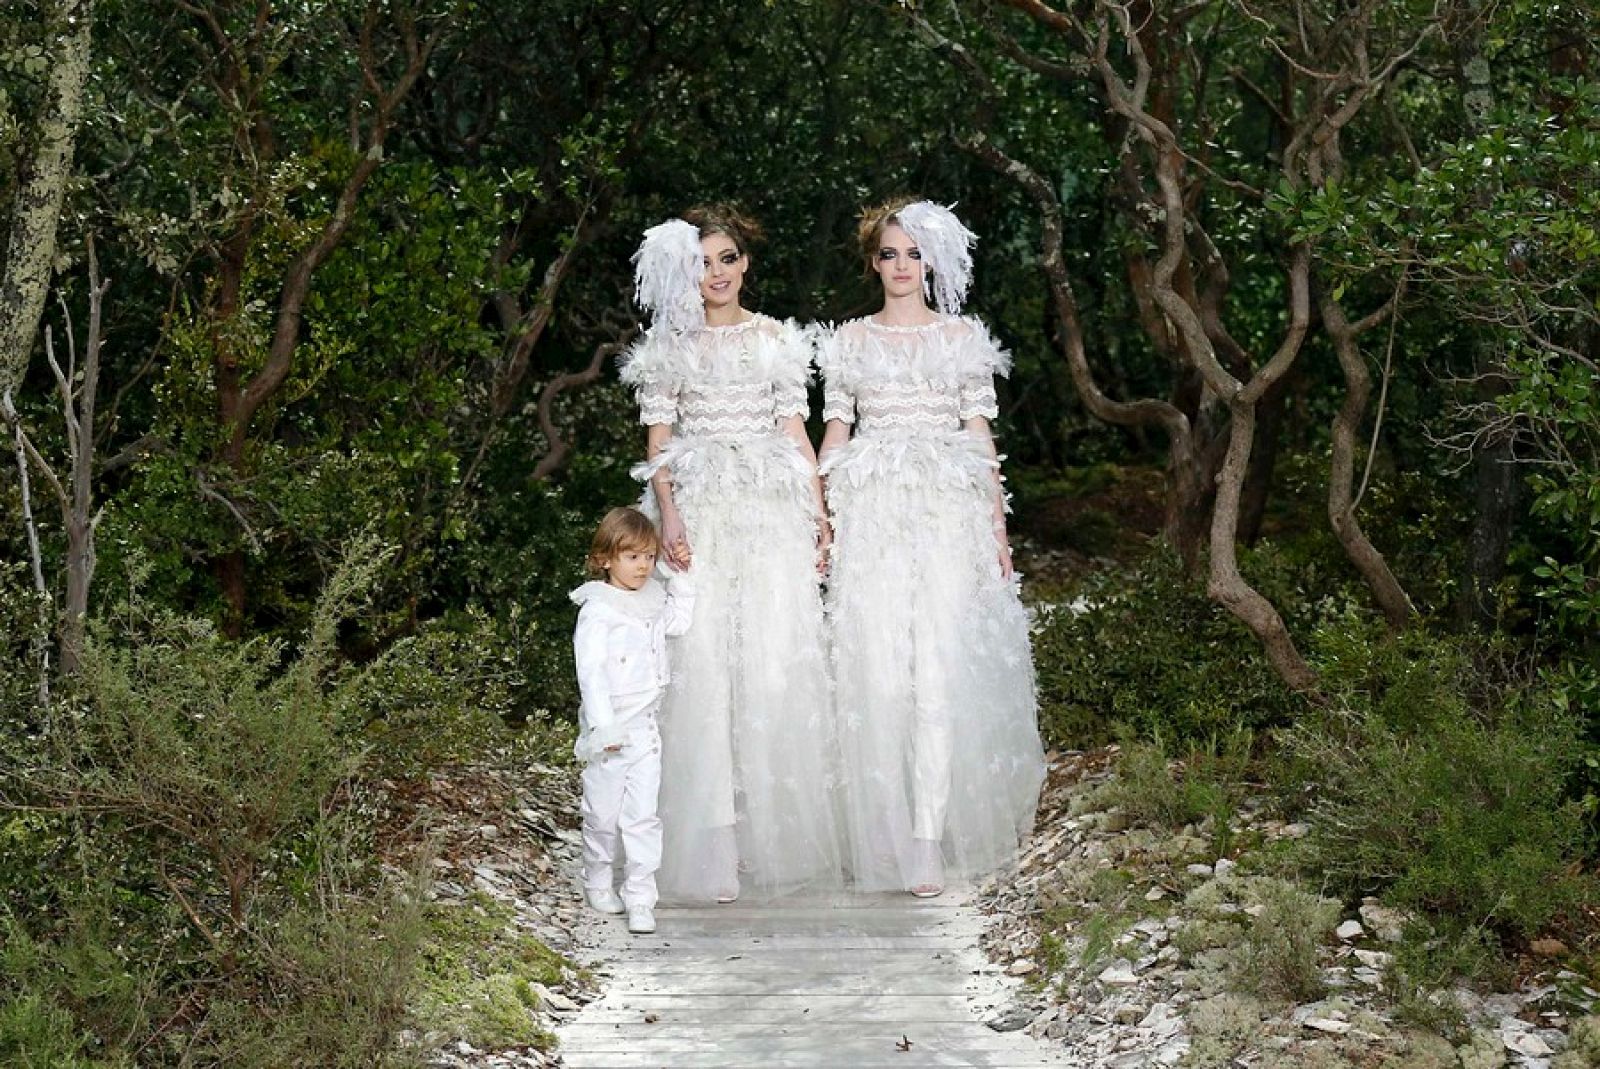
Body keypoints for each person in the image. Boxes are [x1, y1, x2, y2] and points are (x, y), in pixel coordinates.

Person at [815, 197, 1046, 897]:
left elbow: (978, 436)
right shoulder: (849, 342)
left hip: (947, 516)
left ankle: (925, 837)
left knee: (939, 675)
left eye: (914, 254)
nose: (901, 266)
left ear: (933, 263)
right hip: (874, 515)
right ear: (872, 262)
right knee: (879, 674)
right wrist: (821, 520)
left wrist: (996, 526)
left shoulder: (961, 339)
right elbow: (835, 434)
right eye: (889, 253)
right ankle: (884, 831)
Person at [618, 206, 843, 903]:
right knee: (706, 664)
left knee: (770, 660)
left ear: (745, 264)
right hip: (703, 512)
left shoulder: (776, 340)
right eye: (702, 263)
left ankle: (766, 837)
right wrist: (672, 515)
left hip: (770, 508)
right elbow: (659, 445)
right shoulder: (670, 349)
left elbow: (796, 431)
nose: (715, 274)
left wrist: (819, 513)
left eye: (726, 259)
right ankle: (712, 841)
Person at [570, 507, 695, 935]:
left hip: (645, 728)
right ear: (606, 559)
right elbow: (591, 671)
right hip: (611, 730)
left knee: (643, 815)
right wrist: (603, 727)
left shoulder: (652, 602)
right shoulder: (598, 610)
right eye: (631, 557)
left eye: (648, 557)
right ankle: (598, 878)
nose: (642, 566)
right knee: (602, 814)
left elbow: (679, 622)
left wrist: (681, 578)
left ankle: (641, 895)